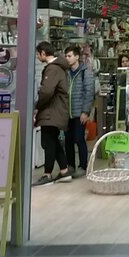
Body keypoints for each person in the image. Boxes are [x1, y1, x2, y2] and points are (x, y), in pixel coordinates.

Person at [34, 42, 71, 186]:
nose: (37, 57)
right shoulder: (58, 67)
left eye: (38, 54)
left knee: (48, 142)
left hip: (51, 111)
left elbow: (46, 91)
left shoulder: (52, 69)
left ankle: (47, 174)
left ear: (43, 53)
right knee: (53, 141)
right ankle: (64, 170)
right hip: (56, 110)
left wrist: (37, 106)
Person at [64, 45, 96, 179]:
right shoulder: (65, 73)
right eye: (66, 56)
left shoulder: (85, 72)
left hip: (79, 112)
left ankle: (83, 165)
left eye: (69, 56)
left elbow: (89, 93)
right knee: (68, 140)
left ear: (77, 57)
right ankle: (70, 165)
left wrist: (85, 111)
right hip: (67, 112)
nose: (67, 58)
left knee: (79, 139)